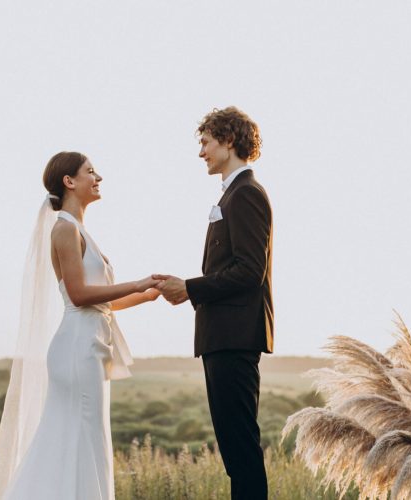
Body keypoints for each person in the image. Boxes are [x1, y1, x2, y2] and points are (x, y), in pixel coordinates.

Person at [0, 152, 161, 500]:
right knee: (81, 438)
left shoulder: (79, 230)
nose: (99, 177)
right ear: (69, 181)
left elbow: (100, 300)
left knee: (82, 439)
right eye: (90, 172)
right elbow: (79, 295)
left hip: (91, 347)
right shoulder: (65, 229)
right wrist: (137, 283)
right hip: (78, 348)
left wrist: (148, 294)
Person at [155, 106, 274, 499]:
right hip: (223, 336)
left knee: (240, 448)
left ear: (228, 141)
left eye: (206, 142)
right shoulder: (234, 194)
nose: (201, 152)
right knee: (234, 450)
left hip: (234, 337)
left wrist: (189, 288)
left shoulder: (247, 194)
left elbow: (249, 271)